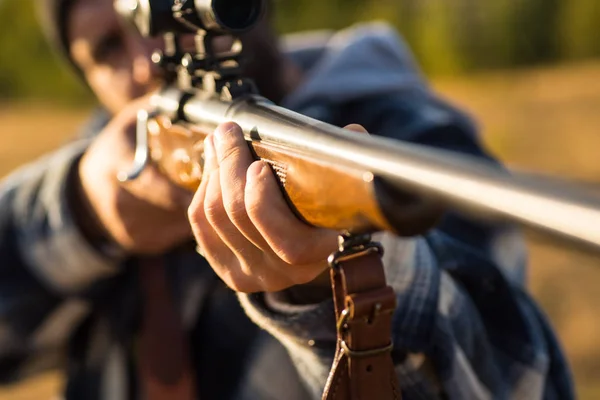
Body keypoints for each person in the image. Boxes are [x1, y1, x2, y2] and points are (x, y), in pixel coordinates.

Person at [0, 0, 574, 398]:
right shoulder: (102, 159)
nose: (150, 55)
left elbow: (521, 383)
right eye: (106, 47)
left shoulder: (416, 137)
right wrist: (84, 215)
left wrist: (338, 282)